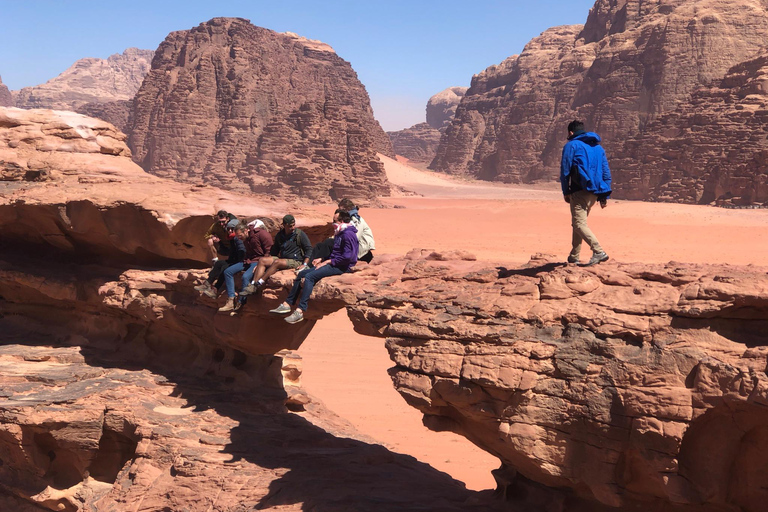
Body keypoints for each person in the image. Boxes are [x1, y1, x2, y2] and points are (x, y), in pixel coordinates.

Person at [271, 209, 359, 324]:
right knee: (302, 273)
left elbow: (349, 257)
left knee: (309, 277)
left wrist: (328, 262)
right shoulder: (339, 233)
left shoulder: (348, 234)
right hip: (335, 263)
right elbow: (336, 252)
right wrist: (322, 259)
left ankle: (300, 310)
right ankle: (287, 304)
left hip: (342, 267)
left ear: (341, 221)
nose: (332, 223)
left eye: (334, 221)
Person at [560, 120, 612, 267]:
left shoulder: (571, 145)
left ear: (570, 133)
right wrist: (604, 195)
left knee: (578, 223)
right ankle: (574, 255)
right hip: (595, 192)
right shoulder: (598, 148)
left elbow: (565, 171)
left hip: (579, 190)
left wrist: (566, 191)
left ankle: (598, 251)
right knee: (579, 222)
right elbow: (605, 172)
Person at [240, 214, 311, 296]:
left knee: (277, 262)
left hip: (296, 261)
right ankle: (253, 285)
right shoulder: (280, 235)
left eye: (294, 225)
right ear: (284, 225)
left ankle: (259, 283)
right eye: (290, 226)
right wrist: (261, 264)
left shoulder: (300, 234)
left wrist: (304, 264)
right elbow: (274, 251)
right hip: (283, 259)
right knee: (262, 260)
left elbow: (309, 249)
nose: (293, 227)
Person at [218, 219, 273, 313]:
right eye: (237, 236)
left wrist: (262, 265)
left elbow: (270, 250)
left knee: (245, 277)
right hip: (248, 261)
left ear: (246, 230)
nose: (239, 238)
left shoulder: (261, 234)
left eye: (240, 235)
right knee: (227, 271)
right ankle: (231, 299)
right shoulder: (245, 238)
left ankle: (241, 302)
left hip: (259, 261)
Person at [337, 198, 375, 263]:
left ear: (347, 209)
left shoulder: (356, 219)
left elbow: (355, 237)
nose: (340, 212)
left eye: (341, 210)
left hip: (362, 252)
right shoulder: (349, 219)